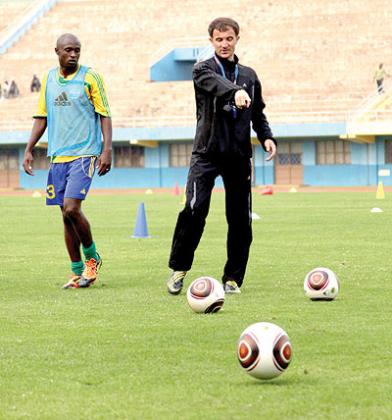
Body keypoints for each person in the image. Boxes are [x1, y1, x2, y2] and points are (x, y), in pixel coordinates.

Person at [166, 17, 277, 295]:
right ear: (211, 41)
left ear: (237, 38)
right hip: (206, 153)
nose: (224, 44)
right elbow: (216, 84)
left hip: (239, 156)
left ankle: (233, 278)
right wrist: (235, 91)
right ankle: (179, 269)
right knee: (194, 209)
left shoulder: (249, 75)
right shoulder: (202, 70)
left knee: (240, 218)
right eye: (219, 39)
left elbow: (257, 112)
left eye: (229, 39)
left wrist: (266, 136)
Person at [23, 33, 112, 289]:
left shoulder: (90, 77)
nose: (73, 54)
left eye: (77, 50)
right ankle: (76, 271)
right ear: (57, 51)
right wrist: (29, 149)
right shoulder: (50, 79)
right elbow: (42, 116)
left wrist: (106, 150)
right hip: (57, 156)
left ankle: (92, 259)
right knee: (65, 215)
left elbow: (105, 115)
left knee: (72, 208)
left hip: (84, 154)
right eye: (68, 50)